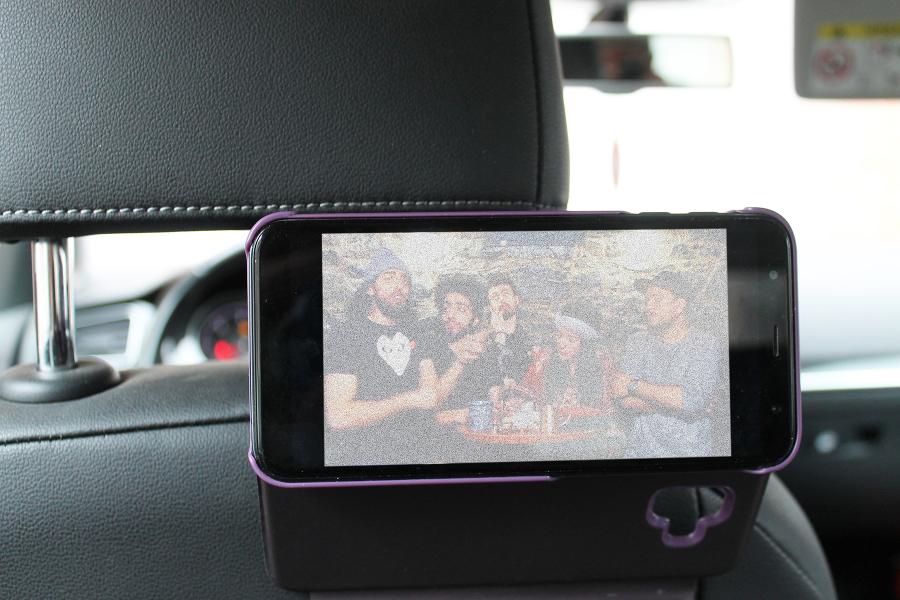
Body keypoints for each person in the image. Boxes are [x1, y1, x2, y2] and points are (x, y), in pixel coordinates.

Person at [323, 247, 439, 466]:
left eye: (404, 280)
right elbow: (338, 416)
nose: (399, 287)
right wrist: (407, 399)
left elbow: (430, 396)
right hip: (367, 461)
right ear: (370, 288)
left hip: (420, 458)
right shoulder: (347, 336)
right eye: (388, 278)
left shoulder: (418, 333)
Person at [609, 271, 725, 458]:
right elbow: (621, 397)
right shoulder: (637, 341)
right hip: (640, 453)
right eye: (647, 300)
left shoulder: (705, 344)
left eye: (657, 299)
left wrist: (633, 385)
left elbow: (692, 400)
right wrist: (683, 405)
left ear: (679, 306)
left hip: (688, 455)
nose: (648, 306)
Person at [428, 276, 492, 427]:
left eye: (461, 309)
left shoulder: (481, 357)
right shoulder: (429, 350)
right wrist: (453, 416)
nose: (450, 315)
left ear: (475, 320)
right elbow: (414, 417)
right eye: (446, 308)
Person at [526, 311, 610, 411]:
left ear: (584, 345)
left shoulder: (599, 368)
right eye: (559, 336)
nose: (561, 344)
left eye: (571, 340)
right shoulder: (545, 362)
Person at [483, 275, 534, 390]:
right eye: (495, 297)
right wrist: (499, 336)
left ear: (516, 300)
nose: (501, 299)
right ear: (490, 307)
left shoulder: (529, 339)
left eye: (505, 293)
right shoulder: (483, 340)